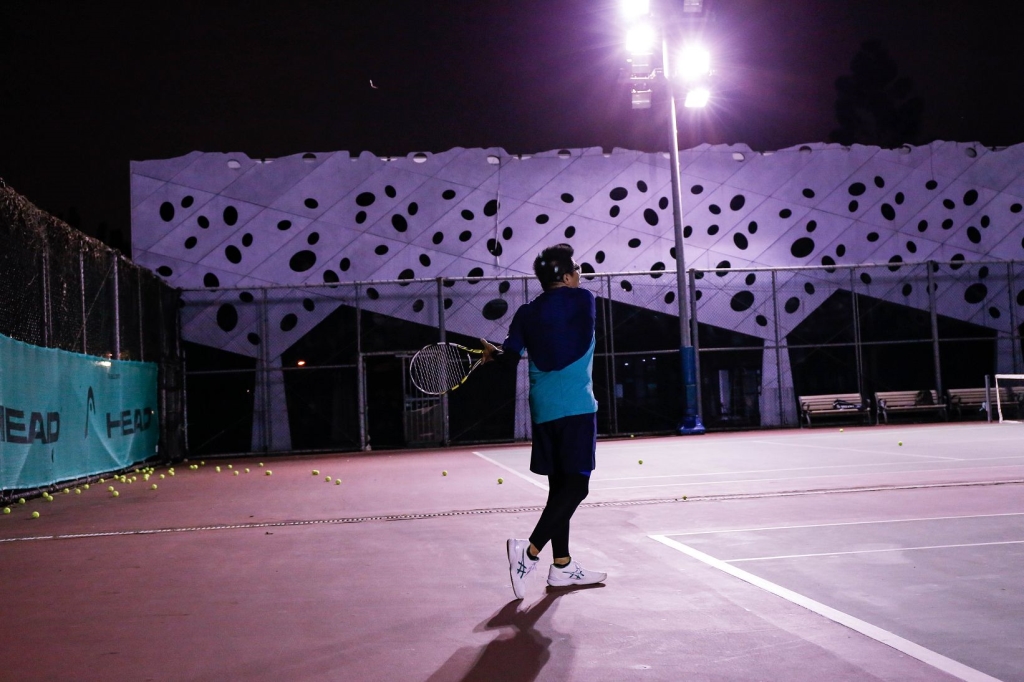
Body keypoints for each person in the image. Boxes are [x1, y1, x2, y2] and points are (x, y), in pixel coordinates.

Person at [481, 243, 606, 600]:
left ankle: (562, 565)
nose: (579, 275)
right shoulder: (583, 299)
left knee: (559, 488)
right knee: (577, 488)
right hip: (576, 406)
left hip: (544, 408)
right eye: (576, 270)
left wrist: (494, 355)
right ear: (565, 277)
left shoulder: (525, 313)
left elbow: (509, 359)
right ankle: (530, 551)